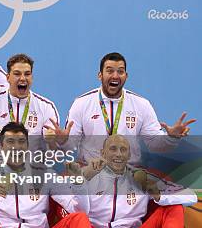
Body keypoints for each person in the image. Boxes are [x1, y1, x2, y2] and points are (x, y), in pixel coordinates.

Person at [71, 134, 199, 228]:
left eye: (123, 149)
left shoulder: (142, 176)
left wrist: (156, 193)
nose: (118, 154)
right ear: (103, 153)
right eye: (113, 149)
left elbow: (190, 196)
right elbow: (80, 211)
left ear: (129, 154)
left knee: (174, 206)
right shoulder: (90, 176)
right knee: (74, 216)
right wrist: (83, 183)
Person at [50, 52, 195, 164]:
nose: (115, 75)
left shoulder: (141, 105)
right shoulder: (81, 103)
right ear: (100, 75)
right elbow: (70, 147)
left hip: (129, 175)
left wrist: (171, 138)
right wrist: (63, 141)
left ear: (126, 76)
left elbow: (155, 145)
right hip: (92, 175)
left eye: (120, 71)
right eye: (109, 71)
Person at [0, 54, 59, 149]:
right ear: (8, 78)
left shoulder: (46, 107)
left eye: (27, 74)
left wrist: (52, 142)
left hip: (31, 162)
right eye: (17, 74)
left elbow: (55, 152)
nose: (22, 78)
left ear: (32, 77)